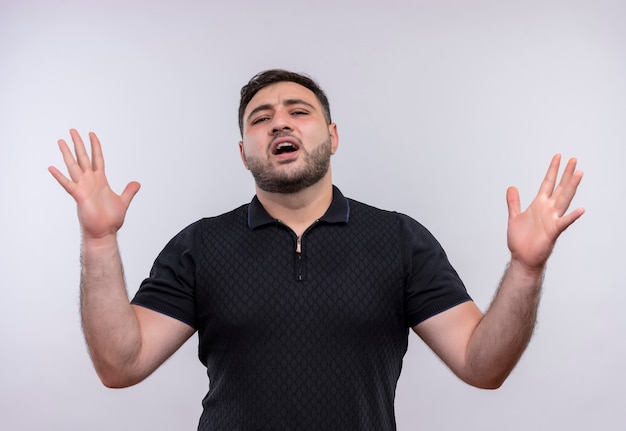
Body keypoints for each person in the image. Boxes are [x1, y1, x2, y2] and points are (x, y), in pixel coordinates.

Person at [49, 69, 584, 430]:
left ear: (331, 134)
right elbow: (120, 366)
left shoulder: (398, 240)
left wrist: (526, 268)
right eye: (260, 118)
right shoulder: (200, 245)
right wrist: (99, 241)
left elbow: (480, 364)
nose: (278, 121)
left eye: (297, 111)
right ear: (244, 153)